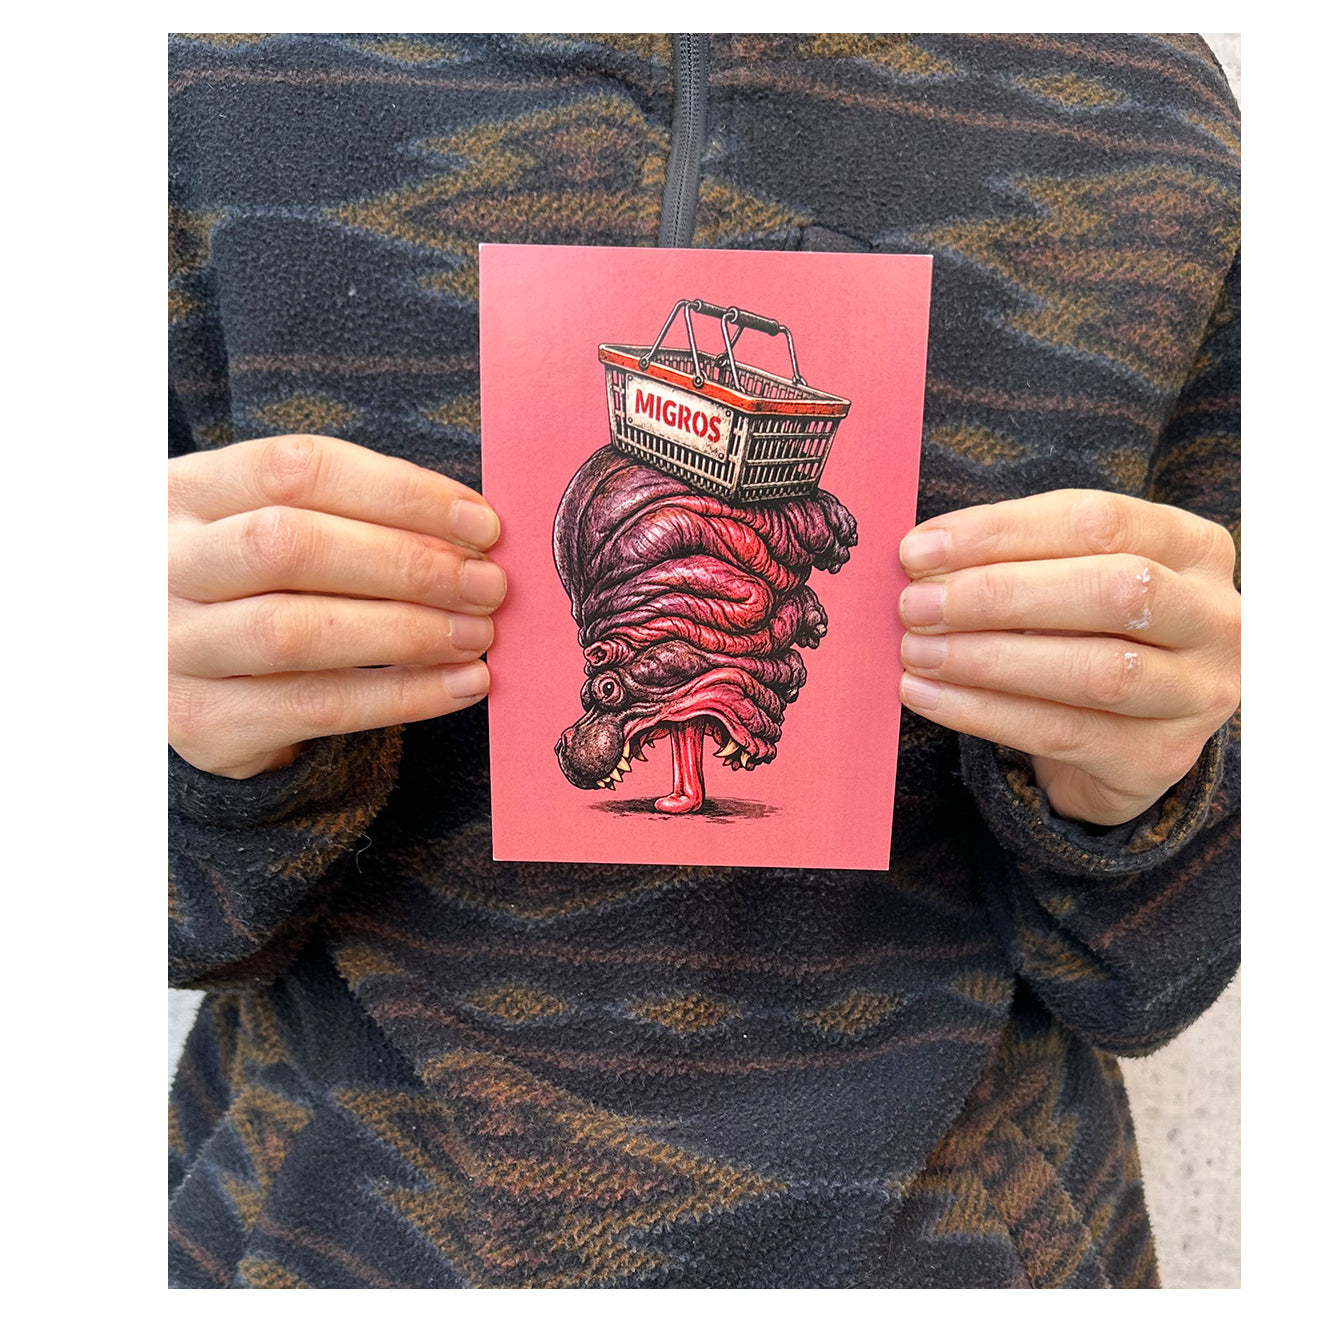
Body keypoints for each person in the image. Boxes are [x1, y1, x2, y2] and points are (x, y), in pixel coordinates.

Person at [168, 33, 1239, 1288]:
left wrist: (1138, 796)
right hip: (319, 1247)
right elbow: (162, 926)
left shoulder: (1149, 116)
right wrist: (190, 751)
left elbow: (1152, 974)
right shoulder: (209, 86)